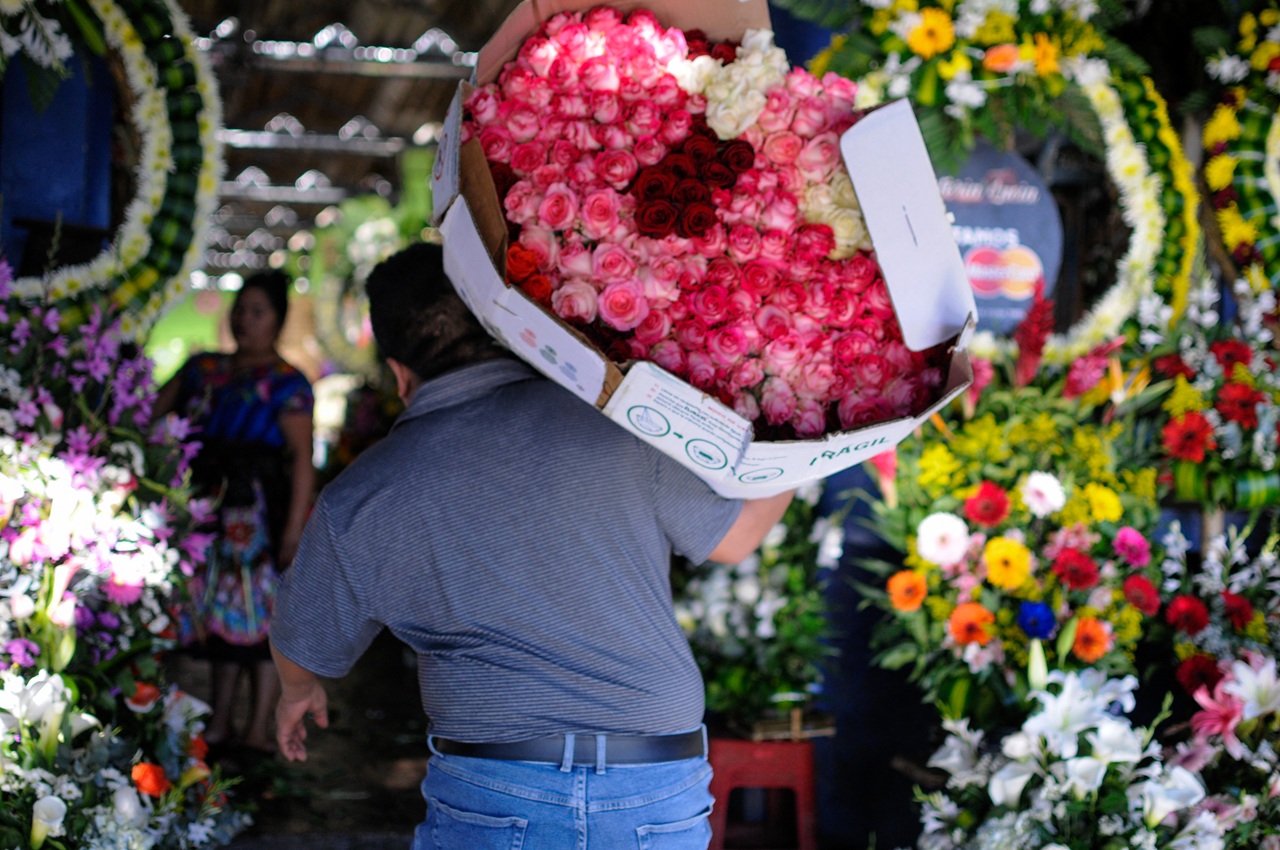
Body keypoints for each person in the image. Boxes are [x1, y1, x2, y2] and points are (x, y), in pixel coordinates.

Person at [269, 242, 793, 849]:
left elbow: (300, 644)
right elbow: (739, 538)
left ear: (398, 374)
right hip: (653, 785)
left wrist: (297, 692)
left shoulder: (363, 494)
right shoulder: (617, 423)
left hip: (493, 791)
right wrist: (809, 448)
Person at [154, 269, 315, 755]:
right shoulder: (203, 368)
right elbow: (149, 413)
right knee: (221, 616)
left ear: (279, 321)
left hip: (261, 516)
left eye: (258, 311)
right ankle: (221, 719)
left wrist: (293, 532)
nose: (245, 319)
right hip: (208, 513)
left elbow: (303, 461)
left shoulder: (287, 382)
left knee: (263, 620)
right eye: (240, 308)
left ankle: (257, 728)